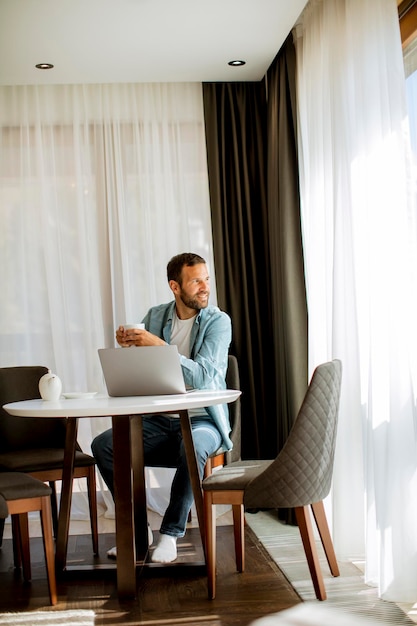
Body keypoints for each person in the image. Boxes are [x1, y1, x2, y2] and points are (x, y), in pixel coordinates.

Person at [92, 252, 232, 563]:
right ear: (175, 286)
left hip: (201, 422)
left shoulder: (218, 322)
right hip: (158, 422)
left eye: (206, 280)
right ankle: (138, 532)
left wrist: (158, 346)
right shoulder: (156, 316)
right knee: (103, 445)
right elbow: (142, 369)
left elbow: (206, 378)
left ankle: (170, 534)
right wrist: (129, 346)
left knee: (192, 444)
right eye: (196, 281)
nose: (204, 287)